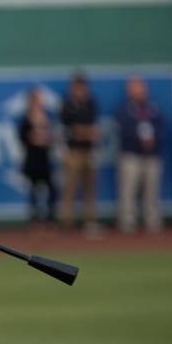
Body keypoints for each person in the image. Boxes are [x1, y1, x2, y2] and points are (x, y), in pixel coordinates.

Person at [115, 75, 165, 233]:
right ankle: (127, 222)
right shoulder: (124, 109)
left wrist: (152, 139)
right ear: (129, 91)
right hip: (131, 154)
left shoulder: (153, 107)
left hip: (152, 155)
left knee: (152, 191)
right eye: (134, 88)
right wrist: (140, 138)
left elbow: (161, 127)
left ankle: (152, 221)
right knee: (128, 191)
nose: (138, 91)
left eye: (140, 88)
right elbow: (124, 129)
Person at [59, 72, 101, 235]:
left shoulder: (90, 103)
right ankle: (67, 222)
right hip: (73, 151)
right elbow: (73, 130)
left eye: (84, 87)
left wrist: (87, 132)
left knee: (90, 187)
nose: (81, 91)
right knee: (70, 187)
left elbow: (95, 129)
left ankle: (90, 221)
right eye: (78, 87)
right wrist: (86, 132)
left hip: (89, 150)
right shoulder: (67, 105)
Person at [17, 87, 57, 227]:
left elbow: (52, 136)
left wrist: (44, 137)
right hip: (33, 159)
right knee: (34, 190)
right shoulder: (26, 118)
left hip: (44, 159)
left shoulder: (47, 116)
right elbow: (22, 137)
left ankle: (50, 217)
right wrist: (34, 137)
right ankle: (35, 219)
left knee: (51, 189)